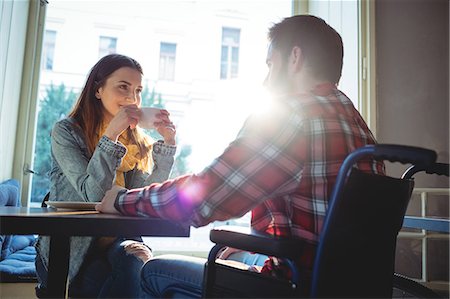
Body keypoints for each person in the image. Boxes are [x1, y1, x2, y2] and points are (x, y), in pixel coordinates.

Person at [97, 15, 384, 298]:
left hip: (294, 285)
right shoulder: (355, 121)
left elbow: (206, 197)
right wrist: (253, 247)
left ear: (294, 57)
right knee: (235, 255)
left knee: (155, 271)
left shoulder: (292, 116)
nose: (266, 79)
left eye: (271, 64)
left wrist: (122, 200)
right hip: (341, 284)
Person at [35, 54, 177, 298]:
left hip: (116, 240)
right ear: (98, 89)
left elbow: (145, 197)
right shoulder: (67, 132)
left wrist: (167, 143)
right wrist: (111, 134)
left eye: (138, 90)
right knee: (96, 282)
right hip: (72, 246)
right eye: (123, 87)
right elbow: (93, 195)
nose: (133, 98)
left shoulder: (136, 141)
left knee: (136, 260)